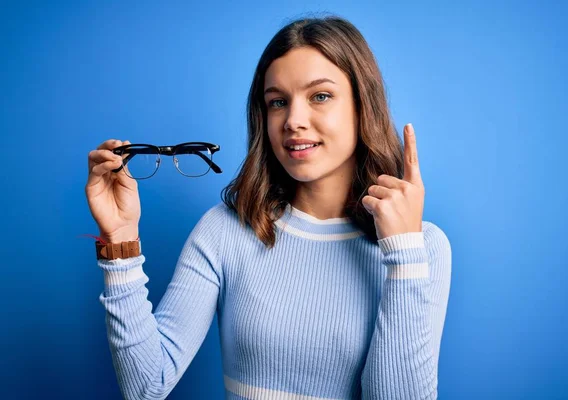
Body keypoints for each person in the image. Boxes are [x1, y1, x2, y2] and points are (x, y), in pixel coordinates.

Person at [85, 15, 452, 400]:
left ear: (364, 106)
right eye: (277, 102)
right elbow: (146, 386)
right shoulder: (224, 230)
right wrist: (120, 241)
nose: (293, 121)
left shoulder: (423, 248)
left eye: (320, 96)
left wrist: (404, 255)